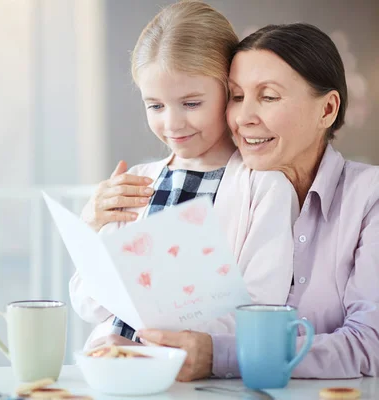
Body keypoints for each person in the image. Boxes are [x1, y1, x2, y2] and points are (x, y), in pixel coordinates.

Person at [137, 22, 379, 381]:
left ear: (327, 110)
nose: (243, 118)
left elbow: (368, 345)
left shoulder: (369, 197)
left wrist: (219, 354)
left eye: (268, 97)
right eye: (236, 97)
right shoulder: (211, 193)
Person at [69, 0, 298, 356]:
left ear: (229, 92)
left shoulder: (264, 188)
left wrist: (152, 345)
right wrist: (92, 229)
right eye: (155, 106)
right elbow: (89, 304)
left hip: (195, 372)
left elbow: (259, 309)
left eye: (191, 103)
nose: (172, 124)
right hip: (114, 363)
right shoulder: (136, 182)